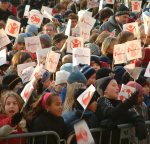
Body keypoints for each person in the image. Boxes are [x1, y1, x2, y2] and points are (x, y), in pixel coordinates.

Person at [93, 76, 147, 144]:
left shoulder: (118, 101)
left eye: (117, 85)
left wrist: (139, 121)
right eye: (113, 85)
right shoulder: (102, 101)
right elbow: (111, 113)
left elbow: (130, 114)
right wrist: (128, 102)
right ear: (105, 90)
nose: (117, 88)